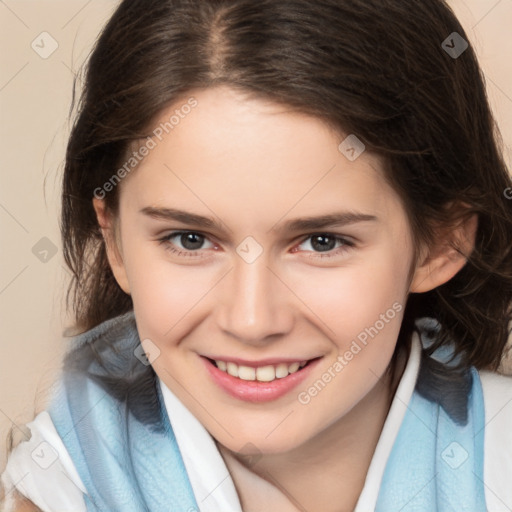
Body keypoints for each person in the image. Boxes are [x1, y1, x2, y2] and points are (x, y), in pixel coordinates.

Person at [2, 0, 512, 510]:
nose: (251, 321)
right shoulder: (63, 483)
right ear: (114, 242)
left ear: (441, 243)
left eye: (321, 242)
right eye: (190, 239)